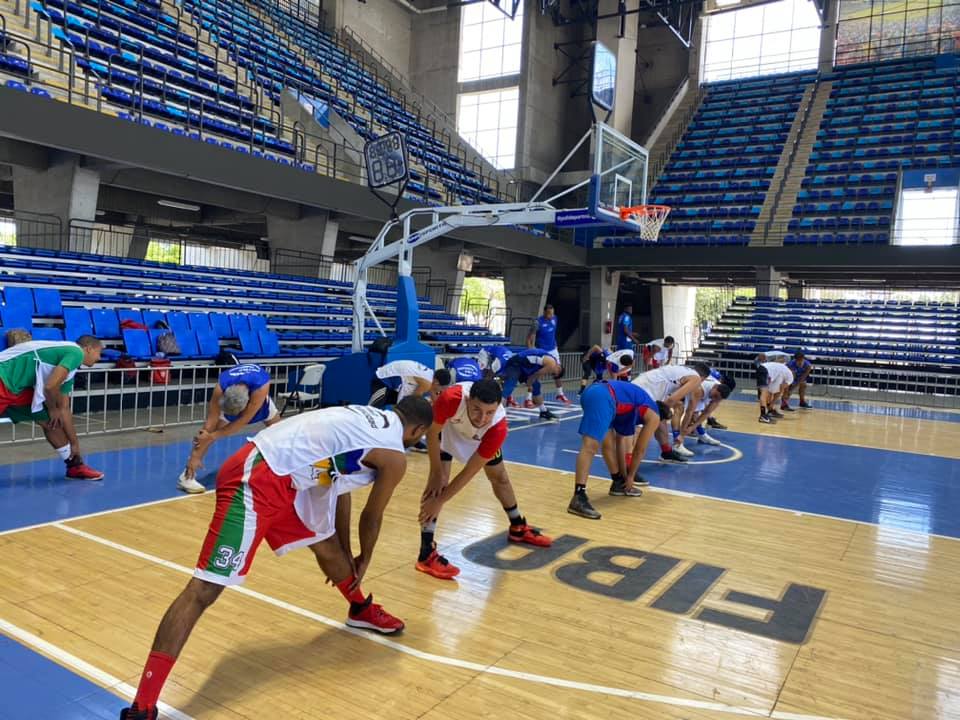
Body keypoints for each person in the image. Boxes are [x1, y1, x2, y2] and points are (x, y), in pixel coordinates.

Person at [119, 398, 435, 720]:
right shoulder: (394, 455)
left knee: (328, 547)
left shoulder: (366, 417)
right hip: (257, 478)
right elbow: (373, 515)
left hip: (293, 477)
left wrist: (346, 545)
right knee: (203, 590)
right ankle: (142, 707)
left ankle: (359, 608)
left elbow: (340, 486)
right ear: (419, 430)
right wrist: (365, 556)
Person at [415, 379, 552, 579]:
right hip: (448, 432)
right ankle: (426, 553)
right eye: (477, 410)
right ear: (468, 400)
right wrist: (436, 473)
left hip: (479, 439)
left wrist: (441, 502)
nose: (482, 418)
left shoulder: (498, 427)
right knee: (437, 484)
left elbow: (471, 470)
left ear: (498, 407)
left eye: (489, 412)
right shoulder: (451, 398)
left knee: (500, 478)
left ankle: (518, 527)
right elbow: (432, 432)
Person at [0, 336, 104, 480]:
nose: (99, 358)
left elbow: (64, 409)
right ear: (88, 348)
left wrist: (75, 443)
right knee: (52, 414)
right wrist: (52, 409)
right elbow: (50, 387)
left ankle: (75, 466)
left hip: (18, 388)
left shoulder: (70, 371)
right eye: (99, 353)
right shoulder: (76, 352)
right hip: (3, 378)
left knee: (51, 421)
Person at [178, 363, 283, 493]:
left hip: (259, 403)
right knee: (210, 429)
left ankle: (284, 468)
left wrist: (211, 436)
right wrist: (196, 454)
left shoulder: (261, 386)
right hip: (234, 400)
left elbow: (240, 422)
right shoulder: (220, 388)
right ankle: (187, 474)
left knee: (280, 432)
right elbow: (211, 421)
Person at [568, 380, 663, 520]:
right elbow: (639, 450)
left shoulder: (633, 407)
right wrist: (631, 477)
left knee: (608, 444)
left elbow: (620, 443)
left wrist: (625, 478)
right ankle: (578, 496)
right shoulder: (654, 415)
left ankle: (618, 482)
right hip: (603, 396)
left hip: (597, 392)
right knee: (590, 446)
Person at [632, 363, 710, 462]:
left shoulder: (683, 370)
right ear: (703, 378)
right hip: (647, 389)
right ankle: (628, 462)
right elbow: (672, 401)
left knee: (661, 421)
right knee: (641, 426)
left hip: (647, 384)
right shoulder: (696, 378)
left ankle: (666, 452)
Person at [497, 347, 564, 420]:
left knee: (536, 386)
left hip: (526, 365)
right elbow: (535, 376)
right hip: (517, 362)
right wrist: (529, 384)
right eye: (554, 374)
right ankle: (497, 412)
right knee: (510, 384)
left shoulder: (551, 361)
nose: (551, 374)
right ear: (559, 368)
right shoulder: (551, 364)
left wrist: (531, 385)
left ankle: (543, 411)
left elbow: (535, 376)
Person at [526, 303, 570, 405]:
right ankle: (528, 397)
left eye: (552, 313)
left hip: (553, 350)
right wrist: (531, 349)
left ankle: (560, 393)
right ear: (545, 312)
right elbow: (530, 337)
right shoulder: (537, 322)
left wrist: (555, 344)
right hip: (542, 351)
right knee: (537, 374)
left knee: (558, 371)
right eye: (549, 314)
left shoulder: (555, 319)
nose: (551, 316)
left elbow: (552, 333)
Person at [675, 377, 731, 448]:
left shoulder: (720, 393)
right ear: (715, 387)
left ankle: (701, 434)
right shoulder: (700, 390)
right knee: (679, 409)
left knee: (696, 413)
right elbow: (689, 412)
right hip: (677, 387)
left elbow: (707, 413)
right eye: (715, 396)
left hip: (695, 389)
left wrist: (692, 427)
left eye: (717, 398)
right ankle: (677, 439)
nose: (713, 399)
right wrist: (682, 434)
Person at [374, 360, 450, 405]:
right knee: (374, 409)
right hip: (383, 378)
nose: (439, 391)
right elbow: (413, 399)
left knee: (399, 407)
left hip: (392, 381)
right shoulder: (427, 382)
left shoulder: (429, 374)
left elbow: (433, 394)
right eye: (441, 389)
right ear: (437, 382)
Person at [757, 359, 794, 424]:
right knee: (764, 393)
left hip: (762, 368)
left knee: (767, 392)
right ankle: (763, 416)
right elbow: (782, 388)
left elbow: (774, 389)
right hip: (765, 370)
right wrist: (774, 402)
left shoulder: (783, 370)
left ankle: (770, 411)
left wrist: (771, 404)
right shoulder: (790, 377)